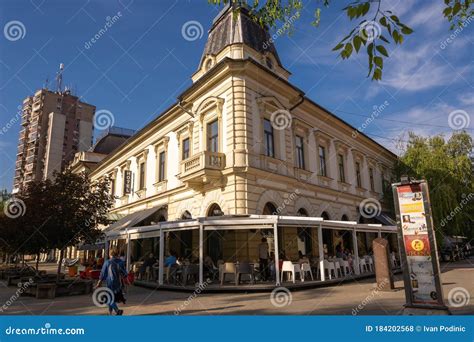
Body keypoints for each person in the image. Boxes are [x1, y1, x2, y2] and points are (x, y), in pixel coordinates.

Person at [96, 248, 127, 316]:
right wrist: (125, 283)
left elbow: (103, 273)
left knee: (108, 298)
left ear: (110, 255)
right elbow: (124, 274)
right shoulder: (121, 262)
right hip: (118, 283)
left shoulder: (107, 262)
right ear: (116, 255)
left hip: (110, 283)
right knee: (112, 297)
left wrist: (99, 282)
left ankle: (117, 310)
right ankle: (110, 313)